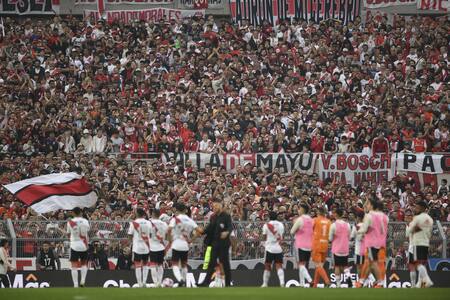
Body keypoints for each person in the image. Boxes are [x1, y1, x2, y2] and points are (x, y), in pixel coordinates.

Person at [199, 198, 233, 287]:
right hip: (214, 243)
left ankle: (228, 283)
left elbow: (230, 227)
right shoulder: (213, 217)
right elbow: (209, 228)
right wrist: (201, 232)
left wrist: (227, 232)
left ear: (220, 205)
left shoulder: (226, 216)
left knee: (225, 264)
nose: (214, 208)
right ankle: (205, 282)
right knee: (211, 263)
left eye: (215, 206)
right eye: (213, 206)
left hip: (224, 244)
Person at [357, 197, 388, 288]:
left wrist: (359, 233)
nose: (367, 206)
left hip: (372, 243)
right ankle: (362, 282)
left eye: (368, 204)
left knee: (372, 262)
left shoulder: (370, 215)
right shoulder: (385, 216)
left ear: (372, 206)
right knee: (374, 263)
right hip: (382, 243)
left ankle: (380, 282)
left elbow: (364, 228)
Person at [167, 202, 200, 287]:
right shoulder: (190, 220)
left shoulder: (175, 219)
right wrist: (191, 240)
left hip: (176, 243)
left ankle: (180, 279)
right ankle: (183, 281)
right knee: (184, 264)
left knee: (175, 264)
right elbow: (199, 231)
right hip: (185, 245)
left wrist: (170, 240)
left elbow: (169, 230)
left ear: (176, 210)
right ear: (185, 210)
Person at [406, 200, 434, 288]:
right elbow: (430, 233)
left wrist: (410, 227)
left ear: (422, 208)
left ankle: (426, 280)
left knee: (416, 264)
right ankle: (419, 284)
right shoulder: (430, 219)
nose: (415, 209)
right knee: (421, 264)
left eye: (416, 207)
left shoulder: (417, 218)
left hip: (416, 243)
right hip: (425, 243)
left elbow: (408, 232)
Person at [290, 202, 313, 287]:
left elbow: (292, 231)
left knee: (300, 264)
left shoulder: (300, 219)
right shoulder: (311, 220)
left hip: (300, 244)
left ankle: (310, 280)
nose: (298, 210)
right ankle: (302, 283)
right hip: (309, 245)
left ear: (302, 210)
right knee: (304, 265)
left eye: (299, 209)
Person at [67, 207, 90, 288]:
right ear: (81, 213)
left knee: (74, 265)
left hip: (74, 245)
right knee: (84, 263)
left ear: (73, 213)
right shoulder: (85, 221)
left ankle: (75, 284)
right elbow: (88, 231)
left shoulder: (70, 222)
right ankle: (83, 280)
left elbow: (68, 234)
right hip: (84, 245)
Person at [128, 208, 151, 288]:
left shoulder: (134, 223)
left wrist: (130, 245)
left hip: (137, 247)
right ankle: (144, 282)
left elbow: (130, 235)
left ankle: (139, 283)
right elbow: (151, 234)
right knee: (145, 264)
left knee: (137, 264)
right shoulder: (148, 223)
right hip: (146, 246)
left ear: (137, 214)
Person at [261, 211, 285, 287]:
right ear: (276, 217)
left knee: (267, 266)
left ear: (269, 217)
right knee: (279, 266)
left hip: (269, 248)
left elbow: (264, 237)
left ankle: (265, 283)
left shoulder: (266, 225)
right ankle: (282, 283)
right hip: (278, 248)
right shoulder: (281, 225)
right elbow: (281, 236)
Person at [329, 208, 351, 288]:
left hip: (337, 248)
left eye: (334, 213)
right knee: (345, 265)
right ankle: (348, 278)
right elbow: (349, 236)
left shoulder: (333, 225)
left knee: (337, 266)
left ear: (336, 215)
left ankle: (338, 285)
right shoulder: (347, 225)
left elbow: (330, 238)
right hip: (345, 248)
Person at [311, 206, 331, 287]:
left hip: (317, 244)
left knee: (318, 265)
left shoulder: (315, 220)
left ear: (318, 212)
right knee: (320, 266)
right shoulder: (328, 221)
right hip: (325, 245)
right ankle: (315, 285)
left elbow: (309, 229)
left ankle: (327, 281)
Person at [148, 209, 168, 287]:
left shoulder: (149, 223)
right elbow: (166, 236)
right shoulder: (164, 224)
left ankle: (156, 283)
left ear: (152, 214)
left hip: (152, 246)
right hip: (161, 246)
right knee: (160, 265)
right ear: (159, 214)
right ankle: (160, 282)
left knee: (153, 265)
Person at [405, 209, 416, 287]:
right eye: (406, 215)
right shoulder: (407, 225)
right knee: (412, 267)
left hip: (416, 248)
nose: (407, 216)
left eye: (409, 215)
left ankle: (416, 284)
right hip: (412, 248)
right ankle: (413, 285)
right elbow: (407, 237)